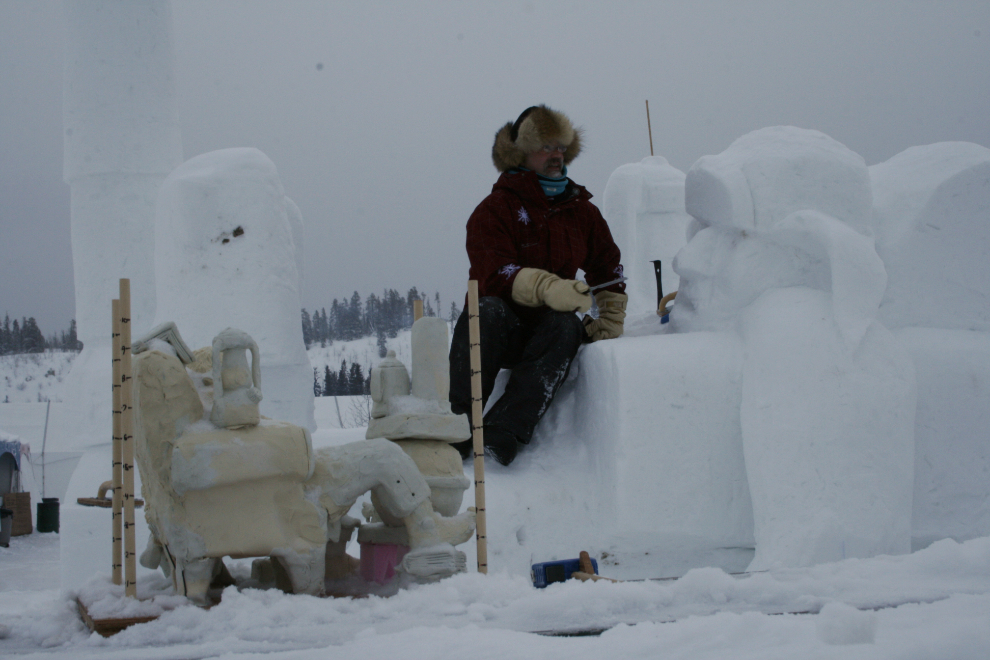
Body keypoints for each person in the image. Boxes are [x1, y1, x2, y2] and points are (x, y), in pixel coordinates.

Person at [449, 105, 627, 465]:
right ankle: (458, 426)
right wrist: (548, 287)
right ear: (521, 152)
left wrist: (610, 315)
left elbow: (606, 266)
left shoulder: (582, 211)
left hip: (549, 331)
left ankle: (505, 433)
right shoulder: (495, 209)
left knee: (566, 325)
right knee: (485, 310)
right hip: (500, 328)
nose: (556, 154)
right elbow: (494, 272)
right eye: (546, 146)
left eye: (561, 147)